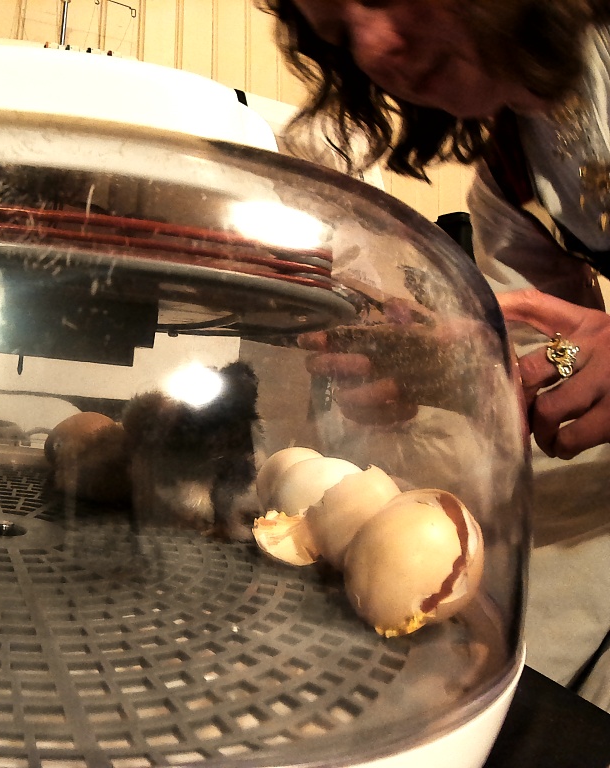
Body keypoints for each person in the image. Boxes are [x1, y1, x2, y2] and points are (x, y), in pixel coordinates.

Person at [261, 0, 610, 710]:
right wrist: (460, 372)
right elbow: (559, 360)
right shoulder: (512, 178)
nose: (372, 47)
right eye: (338, 33)